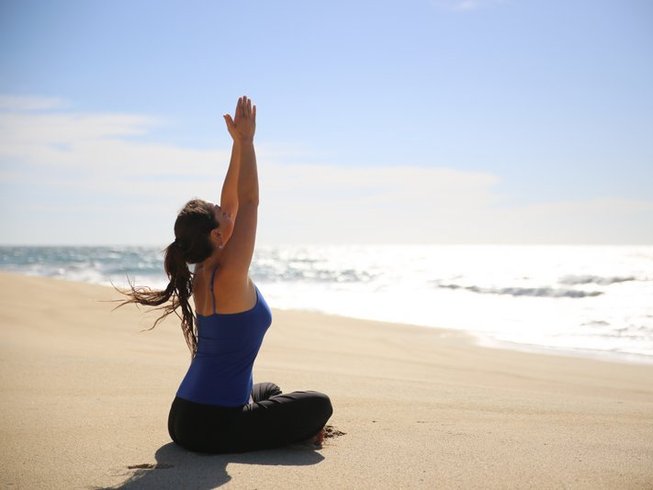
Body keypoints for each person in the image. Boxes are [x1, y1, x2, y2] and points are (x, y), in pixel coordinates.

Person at [118, 96, 333, 453]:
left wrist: (236, 145)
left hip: (182, 416)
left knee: (271, 390)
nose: (225, 209)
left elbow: (232, 201)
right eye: (220, 214)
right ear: (218, 236)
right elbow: (248, 202)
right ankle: (295, 434)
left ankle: (276, 427)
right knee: (319, 403)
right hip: (213, 426)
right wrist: (249, 143)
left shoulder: (203, 268)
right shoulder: (231, 271)